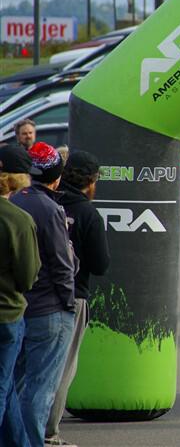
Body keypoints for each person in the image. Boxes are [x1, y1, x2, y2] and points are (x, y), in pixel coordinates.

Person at [10, 142, 76, 447]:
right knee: (41, 388)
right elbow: (63, 265)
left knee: (15, 384)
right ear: (57, 176)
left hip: (22, 307)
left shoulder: (18, 201)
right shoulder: (50, 209)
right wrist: (68, 303)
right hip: (50, 308)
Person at [45, 150, 110, 447]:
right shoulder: (87, 213)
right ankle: (48, 434)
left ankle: (22, 429)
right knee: (62, 369)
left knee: (33, 367)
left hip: (36, 294)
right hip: (74, 296)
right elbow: (100, 264)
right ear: (92, 181)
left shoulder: (48, 202)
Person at [0, 145, 40, 447]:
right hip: (7, 314)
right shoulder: (18, 220)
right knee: (2, 387)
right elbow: (28, 277)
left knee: (9, 386)